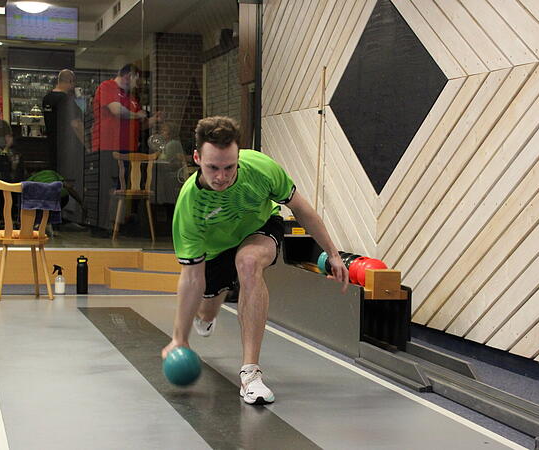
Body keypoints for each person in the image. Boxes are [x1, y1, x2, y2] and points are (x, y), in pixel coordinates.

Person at [162, 116, 349, 405]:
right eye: (213, 168)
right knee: (207, 310)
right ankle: (207, 315)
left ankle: (251, 374)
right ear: (197, 158)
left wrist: (333, 254)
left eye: (229, 167)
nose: (222, 177)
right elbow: (192, 277)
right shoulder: (190, 205)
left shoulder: (261, 168)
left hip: (258, 229)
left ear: (238, 156)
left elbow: (301, 208)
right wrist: (179, 338)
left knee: (248, 263)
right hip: (214, 252)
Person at [91, 64, 160, 235]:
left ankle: (117, 224)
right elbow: (117, 111)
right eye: (137, 78)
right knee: (108, 187)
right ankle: (102, 225)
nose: (139, 83)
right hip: (108, 146)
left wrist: (153, 120)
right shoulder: (107, 87)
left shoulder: (131, 98)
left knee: (122, 187)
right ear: (129, 75)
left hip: (127, 150)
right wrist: (137, 115)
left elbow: (139, 124)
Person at [43, 69, 84, 159]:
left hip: (52, 145)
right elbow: (76, 123)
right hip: (67, 147)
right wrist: (86, 144)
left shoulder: (46, 98)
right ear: (70, 81)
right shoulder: (67, 100)